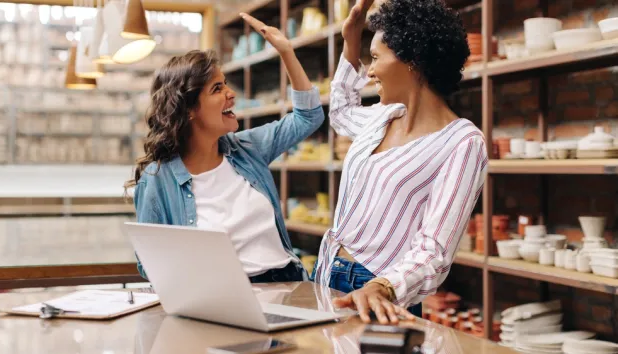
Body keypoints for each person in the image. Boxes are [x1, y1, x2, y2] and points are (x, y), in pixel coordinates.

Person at [312, 0, 488, 324]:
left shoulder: (462, 143)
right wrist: (351, 40)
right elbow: (338, 113)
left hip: (381, 294)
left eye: (376, 57)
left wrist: (382, 288)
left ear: (412, 62)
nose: (370, 70)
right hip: (326, 271)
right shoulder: (383, 115)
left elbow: (434, 249)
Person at [126, 13, 324, 284]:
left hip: (289, 283)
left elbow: (308, 117)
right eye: (217, 88)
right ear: (189, 110)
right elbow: (151, 265)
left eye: (226, 84)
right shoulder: (157, 179)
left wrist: (286, 52)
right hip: (225, 292)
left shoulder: (247, 149)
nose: (231, 94)